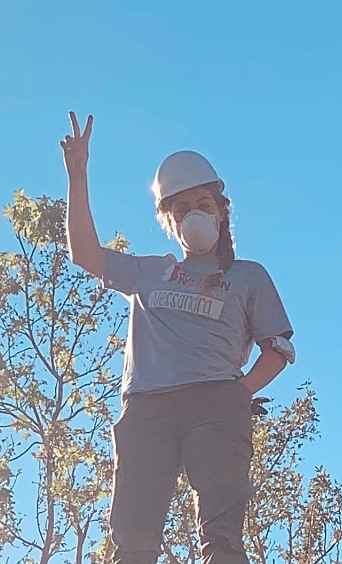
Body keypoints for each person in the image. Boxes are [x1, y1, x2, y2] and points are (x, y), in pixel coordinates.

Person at [61, 112, 295, 563]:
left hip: (216, 403)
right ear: (169, 220)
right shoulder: (150, 271)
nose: (195, 216)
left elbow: (278, 349)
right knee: (133, 535)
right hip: (147, 405)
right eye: (182, 208)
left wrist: (236, 392)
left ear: (222, 211)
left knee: (222, 536)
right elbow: (85, 254)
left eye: (204, 204)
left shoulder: (248, 276)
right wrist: (78, 174)